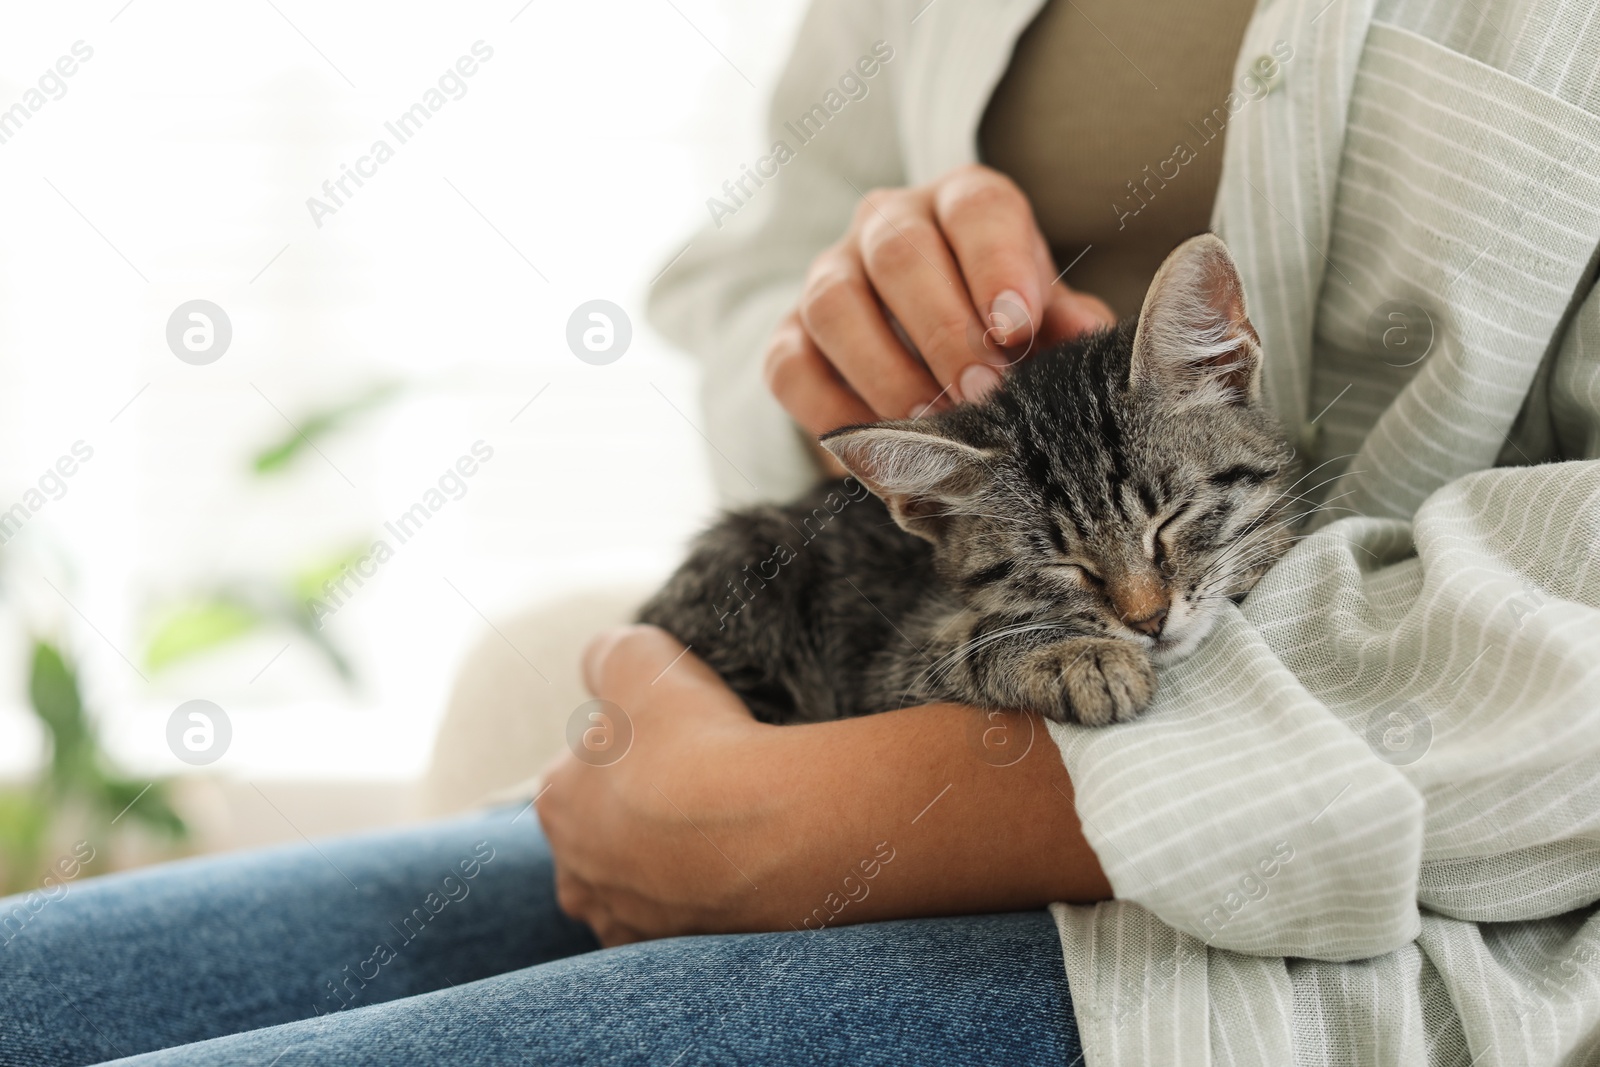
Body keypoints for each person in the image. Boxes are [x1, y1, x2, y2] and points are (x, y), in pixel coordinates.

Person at [7, 0, 1600, 1063]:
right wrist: (842, 340)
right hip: (838, 708)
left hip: (1376, 928)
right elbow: (745, 270)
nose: (1142, 601)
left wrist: (838, 821)